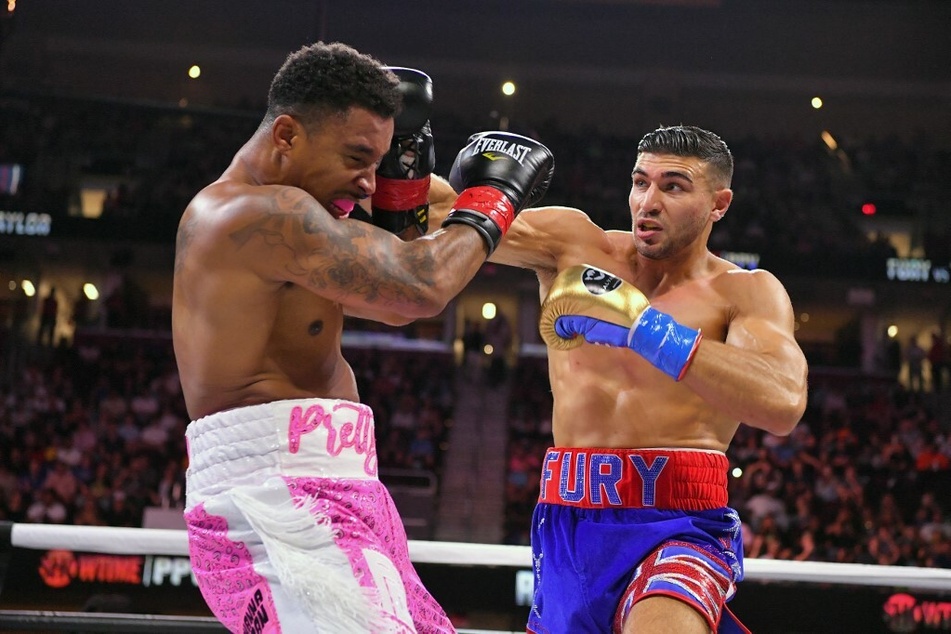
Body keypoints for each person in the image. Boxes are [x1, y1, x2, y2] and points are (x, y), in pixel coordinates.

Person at [171, 41, 553, 633]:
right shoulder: (258, 217)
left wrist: (405, 210)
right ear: (288, 136)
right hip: (278, 499)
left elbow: (397, 308)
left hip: (339, 484)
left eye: (377, 163)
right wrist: (492, 198)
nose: (370, 184)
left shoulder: (303, 216)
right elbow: (420, 288)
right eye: (356, 157)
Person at [434, 125, 808, 633]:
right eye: (640, 182)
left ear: (718, 204)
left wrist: (646, 330)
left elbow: (782, 401)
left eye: (673, 186)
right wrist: (399, 160)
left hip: (679, 526)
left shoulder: (745, 292)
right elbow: (437, 218)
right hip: (568, 520)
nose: (648, 202)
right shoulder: (574, 245)